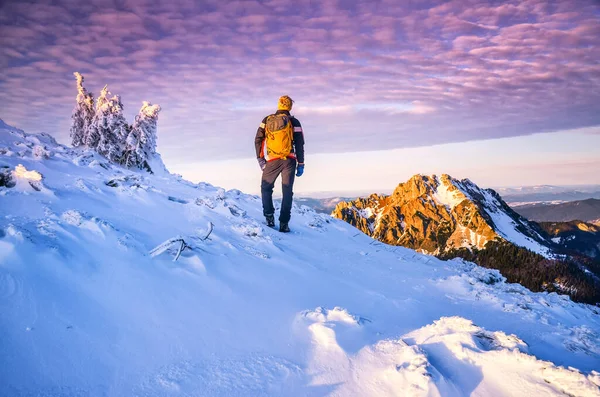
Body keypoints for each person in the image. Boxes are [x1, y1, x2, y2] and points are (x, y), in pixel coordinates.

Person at [254, 95, 305, 233]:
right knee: (287, 191)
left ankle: (269, 217)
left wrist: (261, 159)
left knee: (266, 188)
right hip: (289, 160)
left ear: (279, 105)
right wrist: (301, 163)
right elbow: (300, 143)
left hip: (272, 160)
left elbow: (258, 140)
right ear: (290, 107)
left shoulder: (267, 120)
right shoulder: (294, 122)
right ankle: (284, 224)